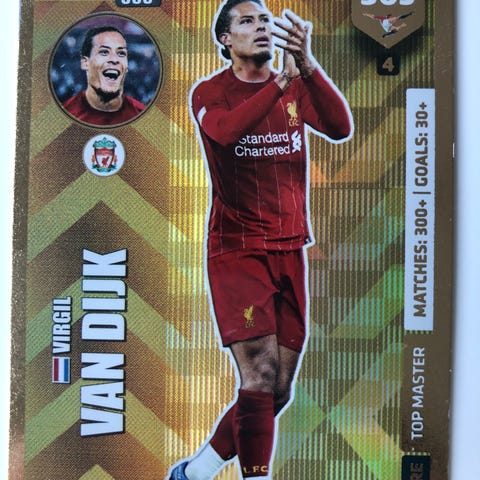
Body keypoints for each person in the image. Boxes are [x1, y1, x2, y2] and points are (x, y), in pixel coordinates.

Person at [168, 1, 352, 479]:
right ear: (225, 39)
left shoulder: (293, 84)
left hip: (289, 248)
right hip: (238, 251)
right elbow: (226, 132)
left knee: (278, 390)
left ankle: (195, 472)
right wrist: (281, 84)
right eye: (247, 21)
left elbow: (339, 128)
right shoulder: (210, 92)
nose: (261, 27)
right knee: (259, 375)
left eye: (266, 20)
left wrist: (306, 67)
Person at [62, 26, 145, 126]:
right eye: (104, 52)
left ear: (127, 66)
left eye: (121, 53)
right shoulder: (63, 116)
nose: (114, 59)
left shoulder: (143, 116)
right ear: (85, 63)